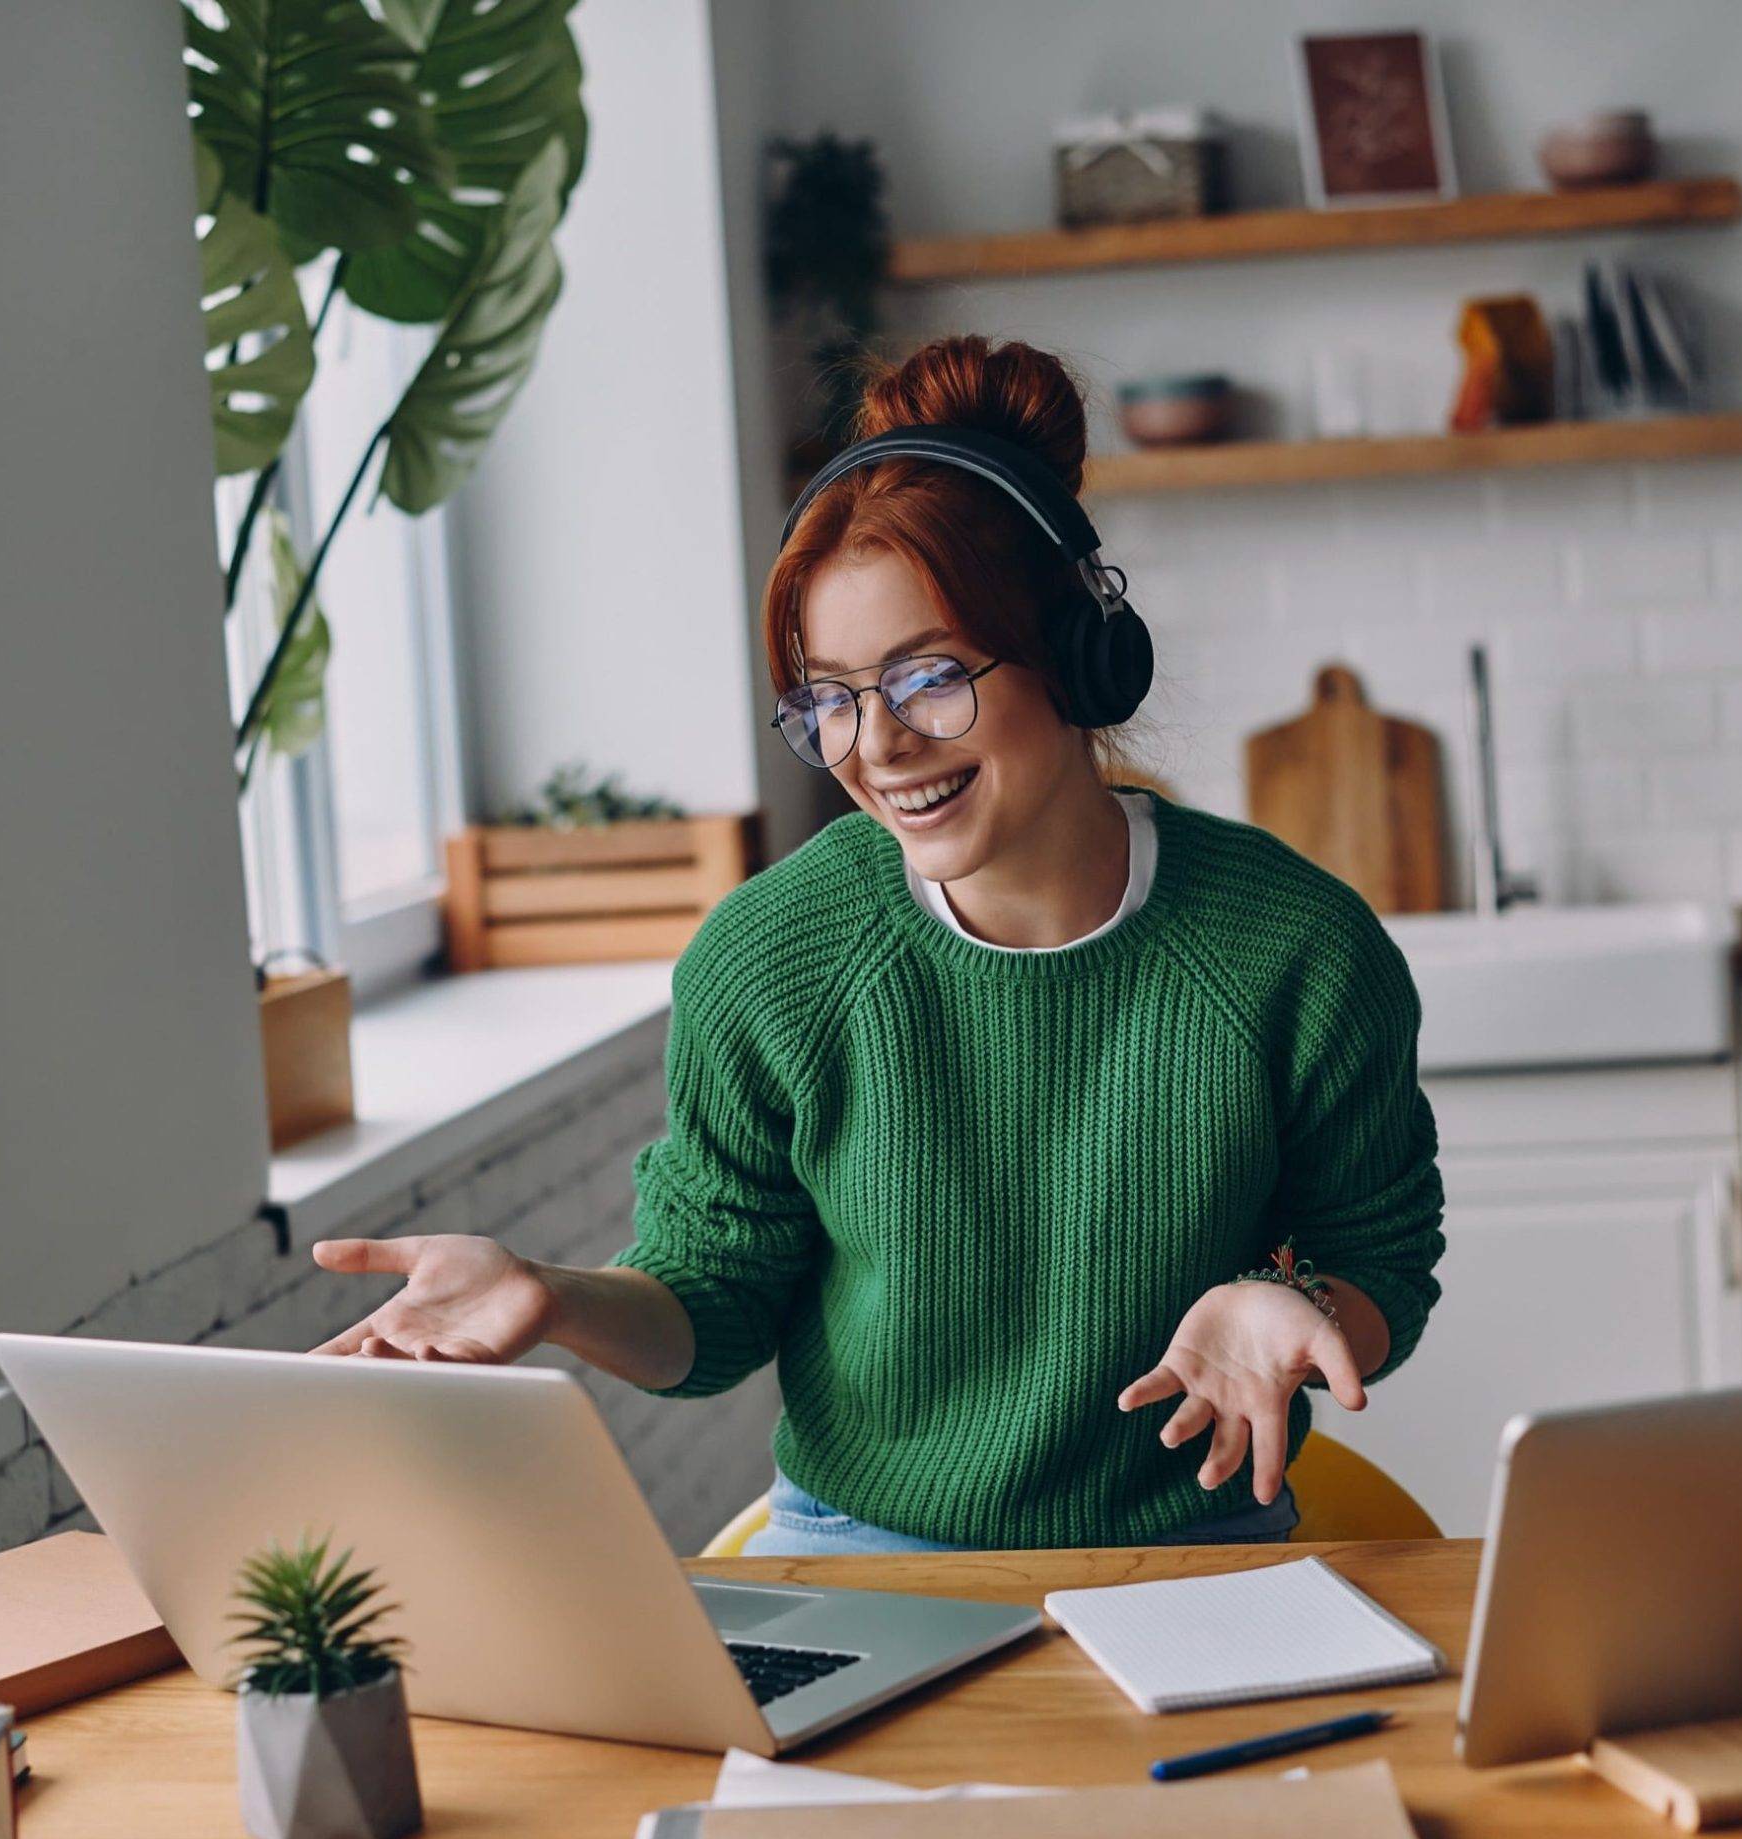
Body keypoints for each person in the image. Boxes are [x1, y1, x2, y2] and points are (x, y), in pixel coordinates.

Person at [311, 334, 1445, 1555]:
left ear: (1079, 652)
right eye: (830, 697)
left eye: (928, 678)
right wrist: (556, 1297)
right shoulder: (770, 959)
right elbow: (714, 1302)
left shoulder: (1294, 948)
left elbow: (1380, 1251)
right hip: (860, 1554)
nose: (879, 745)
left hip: (1191, 1549)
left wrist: (1293, 1300)